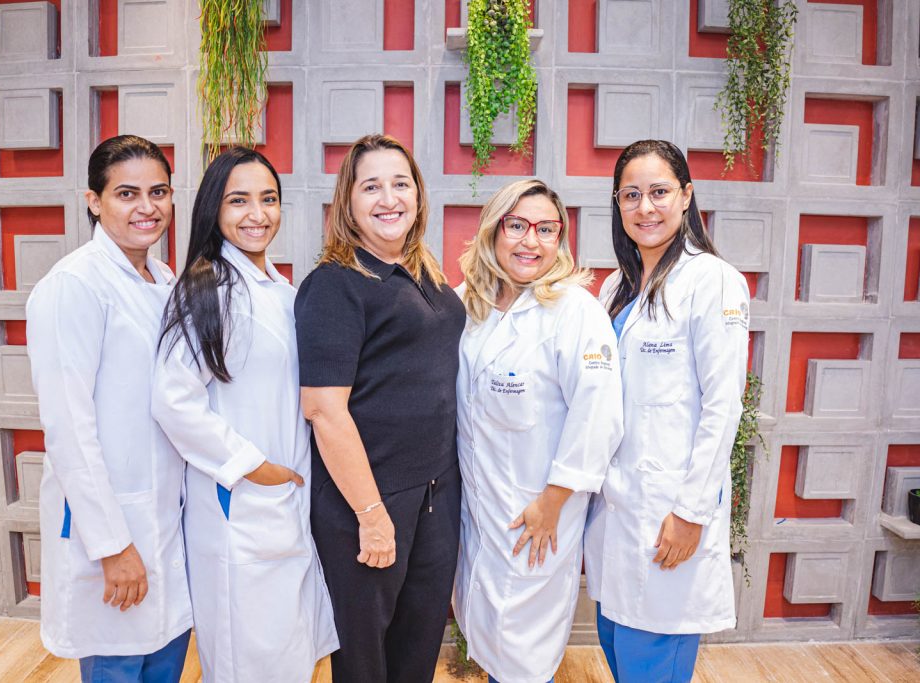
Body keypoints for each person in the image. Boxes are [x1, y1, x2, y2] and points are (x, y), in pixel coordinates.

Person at [151, 147, 338, 682]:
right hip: (244, 506)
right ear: (214, 209)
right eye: (239, 201)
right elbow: (173, 398)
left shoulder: (282, 290)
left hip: (285, 507)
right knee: (247, 664)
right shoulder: (208, 290)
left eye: (268, 199)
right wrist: (253, 466)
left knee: (286, 656)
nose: (258, 214)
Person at [294, 134, 465, 683]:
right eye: (371, 186)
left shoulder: (423, 272)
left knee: (416, 648)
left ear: (418, 194)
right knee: (366, 660)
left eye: (401, 183)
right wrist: (372, 518)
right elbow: (323, 411)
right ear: (348, 202)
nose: (388, 198)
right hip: (370, 498)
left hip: (436, 491)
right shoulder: (335, 285)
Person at [26, 135, 192, 682]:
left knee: (164, 658)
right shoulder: (73, 285)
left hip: (166, 519)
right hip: (114, 527)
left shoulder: (166, 281)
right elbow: (68, 428)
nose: (147, 207)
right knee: (117, 664)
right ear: (94, 201)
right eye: (127, 193)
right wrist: (114, 545)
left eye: (159, 191)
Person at [584, 139, 750, 683]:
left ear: (686, 196)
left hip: (670, 509)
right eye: (630, 195)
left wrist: (691, 512)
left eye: (659, 192)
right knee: (615, 638)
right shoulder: (615, 286)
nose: (645, 207)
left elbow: (723, 407)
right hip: (616, 506)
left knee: (652, 657)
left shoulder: (714, 282)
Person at [453, 179, 624, 683]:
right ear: (494, 230)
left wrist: (551, 502)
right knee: (487, 632)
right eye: (518, 226)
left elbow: (599, 415)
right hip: (480, 510)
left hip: (539, 510)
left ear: (560, 240)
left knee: (525, 652)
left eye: (546, 229)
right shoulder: (469, 303)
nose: (531, 241)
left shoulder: (576, 312)